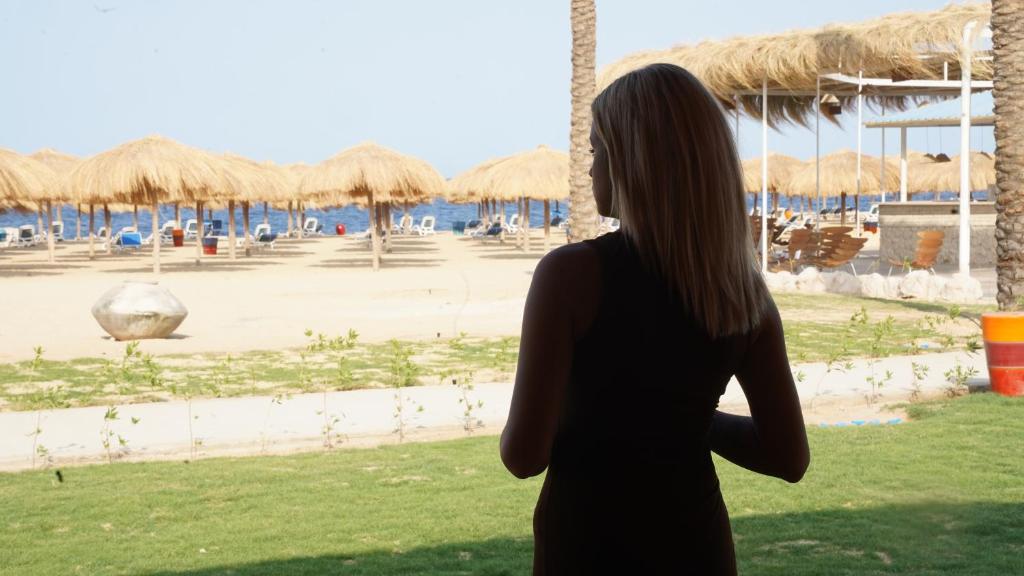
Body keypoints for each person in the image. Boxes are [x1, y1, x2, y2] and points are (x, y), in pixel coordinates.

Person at [500, 63, 810, 575]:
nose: (590, 170)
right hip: (697, 547)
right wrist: (691, 418)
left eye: (597, 151)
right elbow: (788, 458)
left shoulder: (570, 276)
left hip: (588, 549)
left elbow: (523, 457)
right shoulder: (741, 294)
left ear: (632, 160)